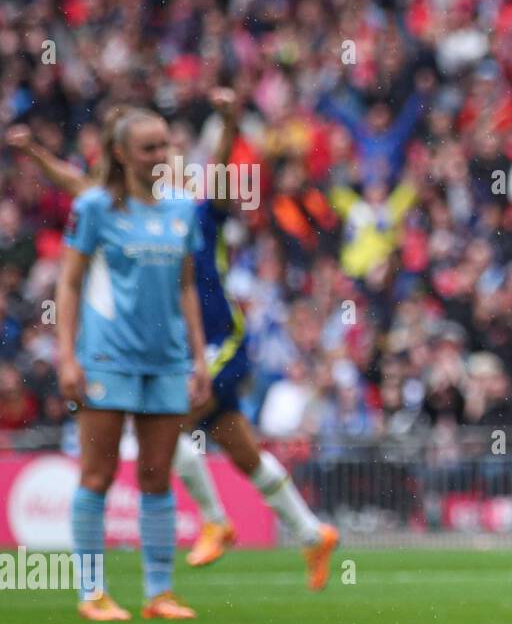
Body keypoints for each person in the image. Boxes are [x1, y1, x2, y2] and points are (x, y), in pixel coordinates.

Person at [8, 91, 339, 591]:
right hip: (180, 347)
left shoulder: (201, 211)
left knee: (161, 430)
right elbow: (79, 184)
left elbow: (223, 163)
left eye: (173, 155)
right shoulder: (127, 208)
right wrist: (34, 154)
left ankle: (214, 521)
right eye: (157, 153)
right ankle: (311, 533)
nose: (168, 164)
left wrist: (228, 120)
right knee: (238, 446)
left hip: (218, 342)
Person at [55, 107, 210, 620]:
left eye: (165, 145)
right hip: (106, 358)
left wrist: (199, 358)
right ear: (121, 154)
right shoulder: (95, 207)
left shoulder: (183, 208)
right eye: (148, 148)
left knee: (157, 477)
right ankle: (92, 593)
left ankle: (159, 593)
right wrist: (66, 354)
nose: (160, 156)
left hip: (165, 361)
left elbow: (188, 286)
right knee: (96, 476)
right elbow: (70, 282)